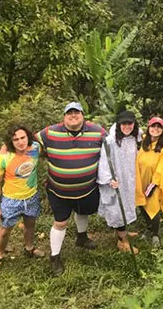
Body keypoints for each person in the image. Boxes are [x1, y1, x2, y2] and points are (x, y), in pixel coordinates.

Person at [37, 102, 105, 276]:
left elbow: (114, 144)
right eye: (70, 113)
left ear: (83, 115)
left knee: (83, 212)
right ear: (64, 116)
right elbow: (26, 142)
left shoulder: (98, 131)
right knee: (60, 222)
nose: (73, 115)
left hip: (88, 188)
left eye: (77, 112)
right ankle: (55, 256)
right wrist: (6, 149)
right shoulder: (49, 133)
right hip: (58, 190)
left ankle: (81, 238)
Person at [0, 125, 43, 274]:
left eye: (22, 137)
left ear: (28, 137)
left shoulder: (35, 148)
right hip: (11, 200)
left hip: (31, 196)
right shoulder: (3, 158)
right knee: (5, 230)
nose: (20, 142)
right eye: (15, 139)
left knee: (30, 225)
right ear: (10, 142)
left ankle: (29, 248)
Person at [98, 111, 140, 253]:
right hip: (116, 180)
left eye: (130, 123)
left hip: (129, 179)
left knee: (127, 205)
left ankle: (123, 232)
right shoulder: (111, 140)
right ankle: (122, 241)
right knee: (118, 208)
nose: (127, 126)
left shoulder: (135, 137)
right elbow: (104, 161)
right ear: (118, 125)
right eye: (124, 124)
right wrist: (109, 179)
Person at [135, 116, 163, 246]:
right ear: (149, 127)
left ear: (162, 130)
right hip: (141, 181)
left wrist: (154, 184)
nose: (155, 129)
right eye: (153, 126)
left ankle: (155, 234)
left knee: (153, 207)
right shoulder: (144, 145)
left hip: (154, 184)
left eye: (159, 127)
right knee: (142, 205)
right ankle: (149, 228)